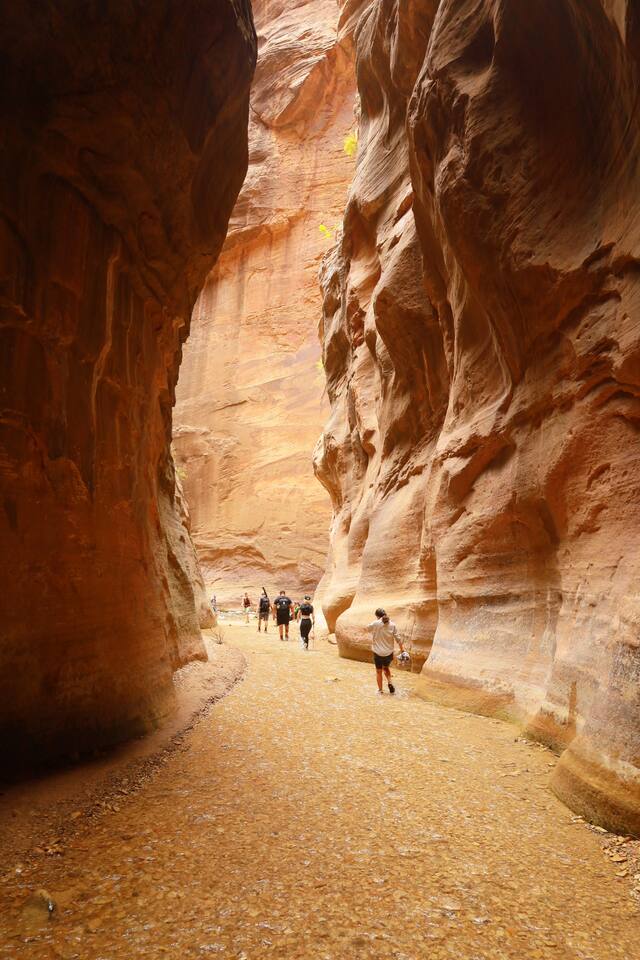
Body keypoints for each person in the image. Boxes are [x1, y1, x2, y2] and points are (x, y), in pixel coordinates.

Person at [367, 607, 405, 695]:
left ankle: (380, 690)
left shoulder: (375, 623)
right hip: (388, 653)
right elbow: (398, 639)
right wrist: (402, 650)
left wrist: (376, 625)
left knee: (378, 671)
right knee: (386, 668)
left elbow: (367, 628)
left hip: (378, 652)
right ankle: (390, 682)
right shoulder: (392, 625)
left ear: (377, 616)